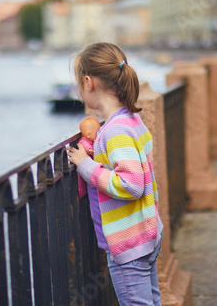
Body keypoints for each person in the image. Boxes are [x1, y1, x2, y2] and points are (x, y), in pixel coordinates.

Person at [67, 42, 163, 306]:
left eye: (78, 82)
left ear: (88, 82)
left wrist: (85, 165)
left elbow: (132, 184)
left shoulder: (115, 131)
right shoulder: (130, 119)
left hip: (130, 242)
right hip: (147, 230)